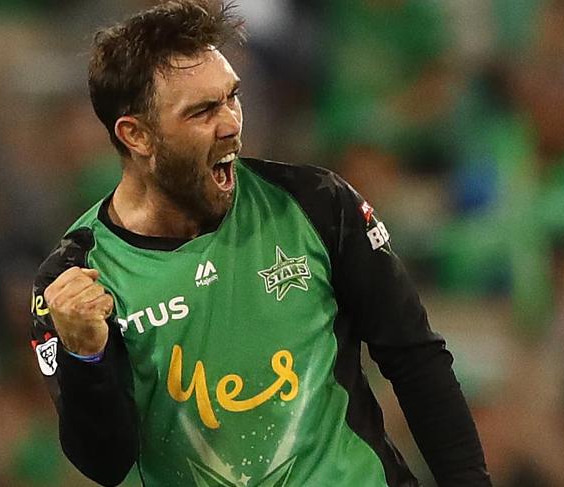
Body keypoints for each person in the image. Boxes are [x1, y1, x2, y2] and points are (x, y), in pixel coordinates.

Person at [29, 1, 491, 486]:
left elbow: (416, 361)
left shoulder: (317, 205)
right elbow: (106, 463)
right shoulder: (77, 278)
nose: (231, 123)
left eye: (232, 97)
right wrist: (86, 359)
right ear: (136, 135)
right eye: (203, 111)